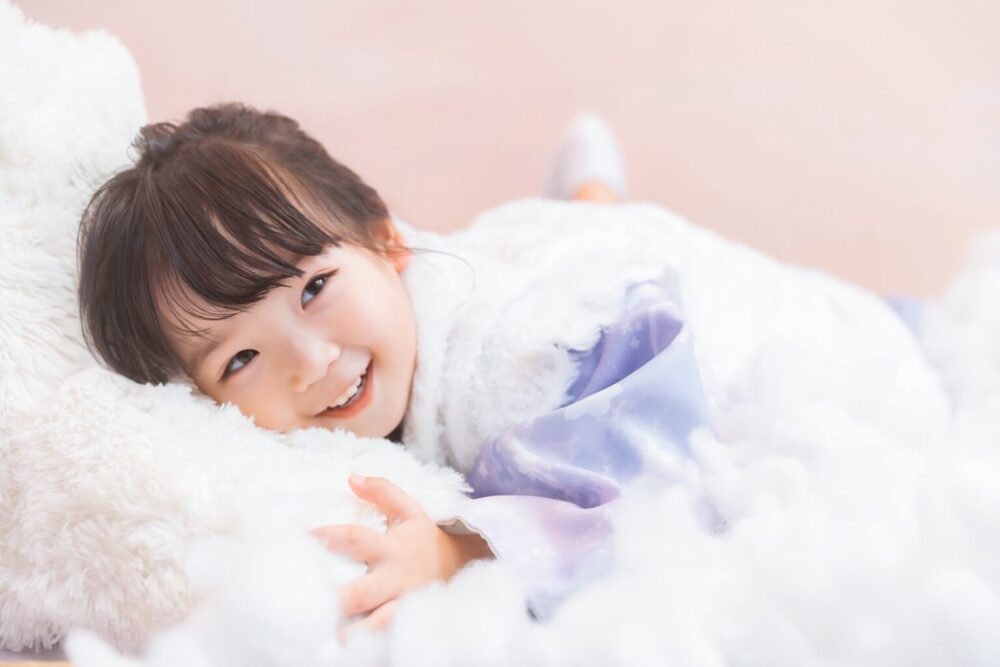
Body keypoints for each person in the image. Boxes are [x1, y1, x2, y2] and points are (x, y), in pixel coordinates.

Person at [76, 104, 713, 632]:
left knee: (595, 231)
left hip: (598, 279)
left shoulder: (539, 348)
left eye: (314, 288)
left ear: (386, 239)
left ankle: (594, 195)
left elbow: (649, 486)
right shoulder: (352, 343)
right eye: (241, 359)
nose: (311, 363)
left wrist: (461, 550)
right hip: (502, 253)